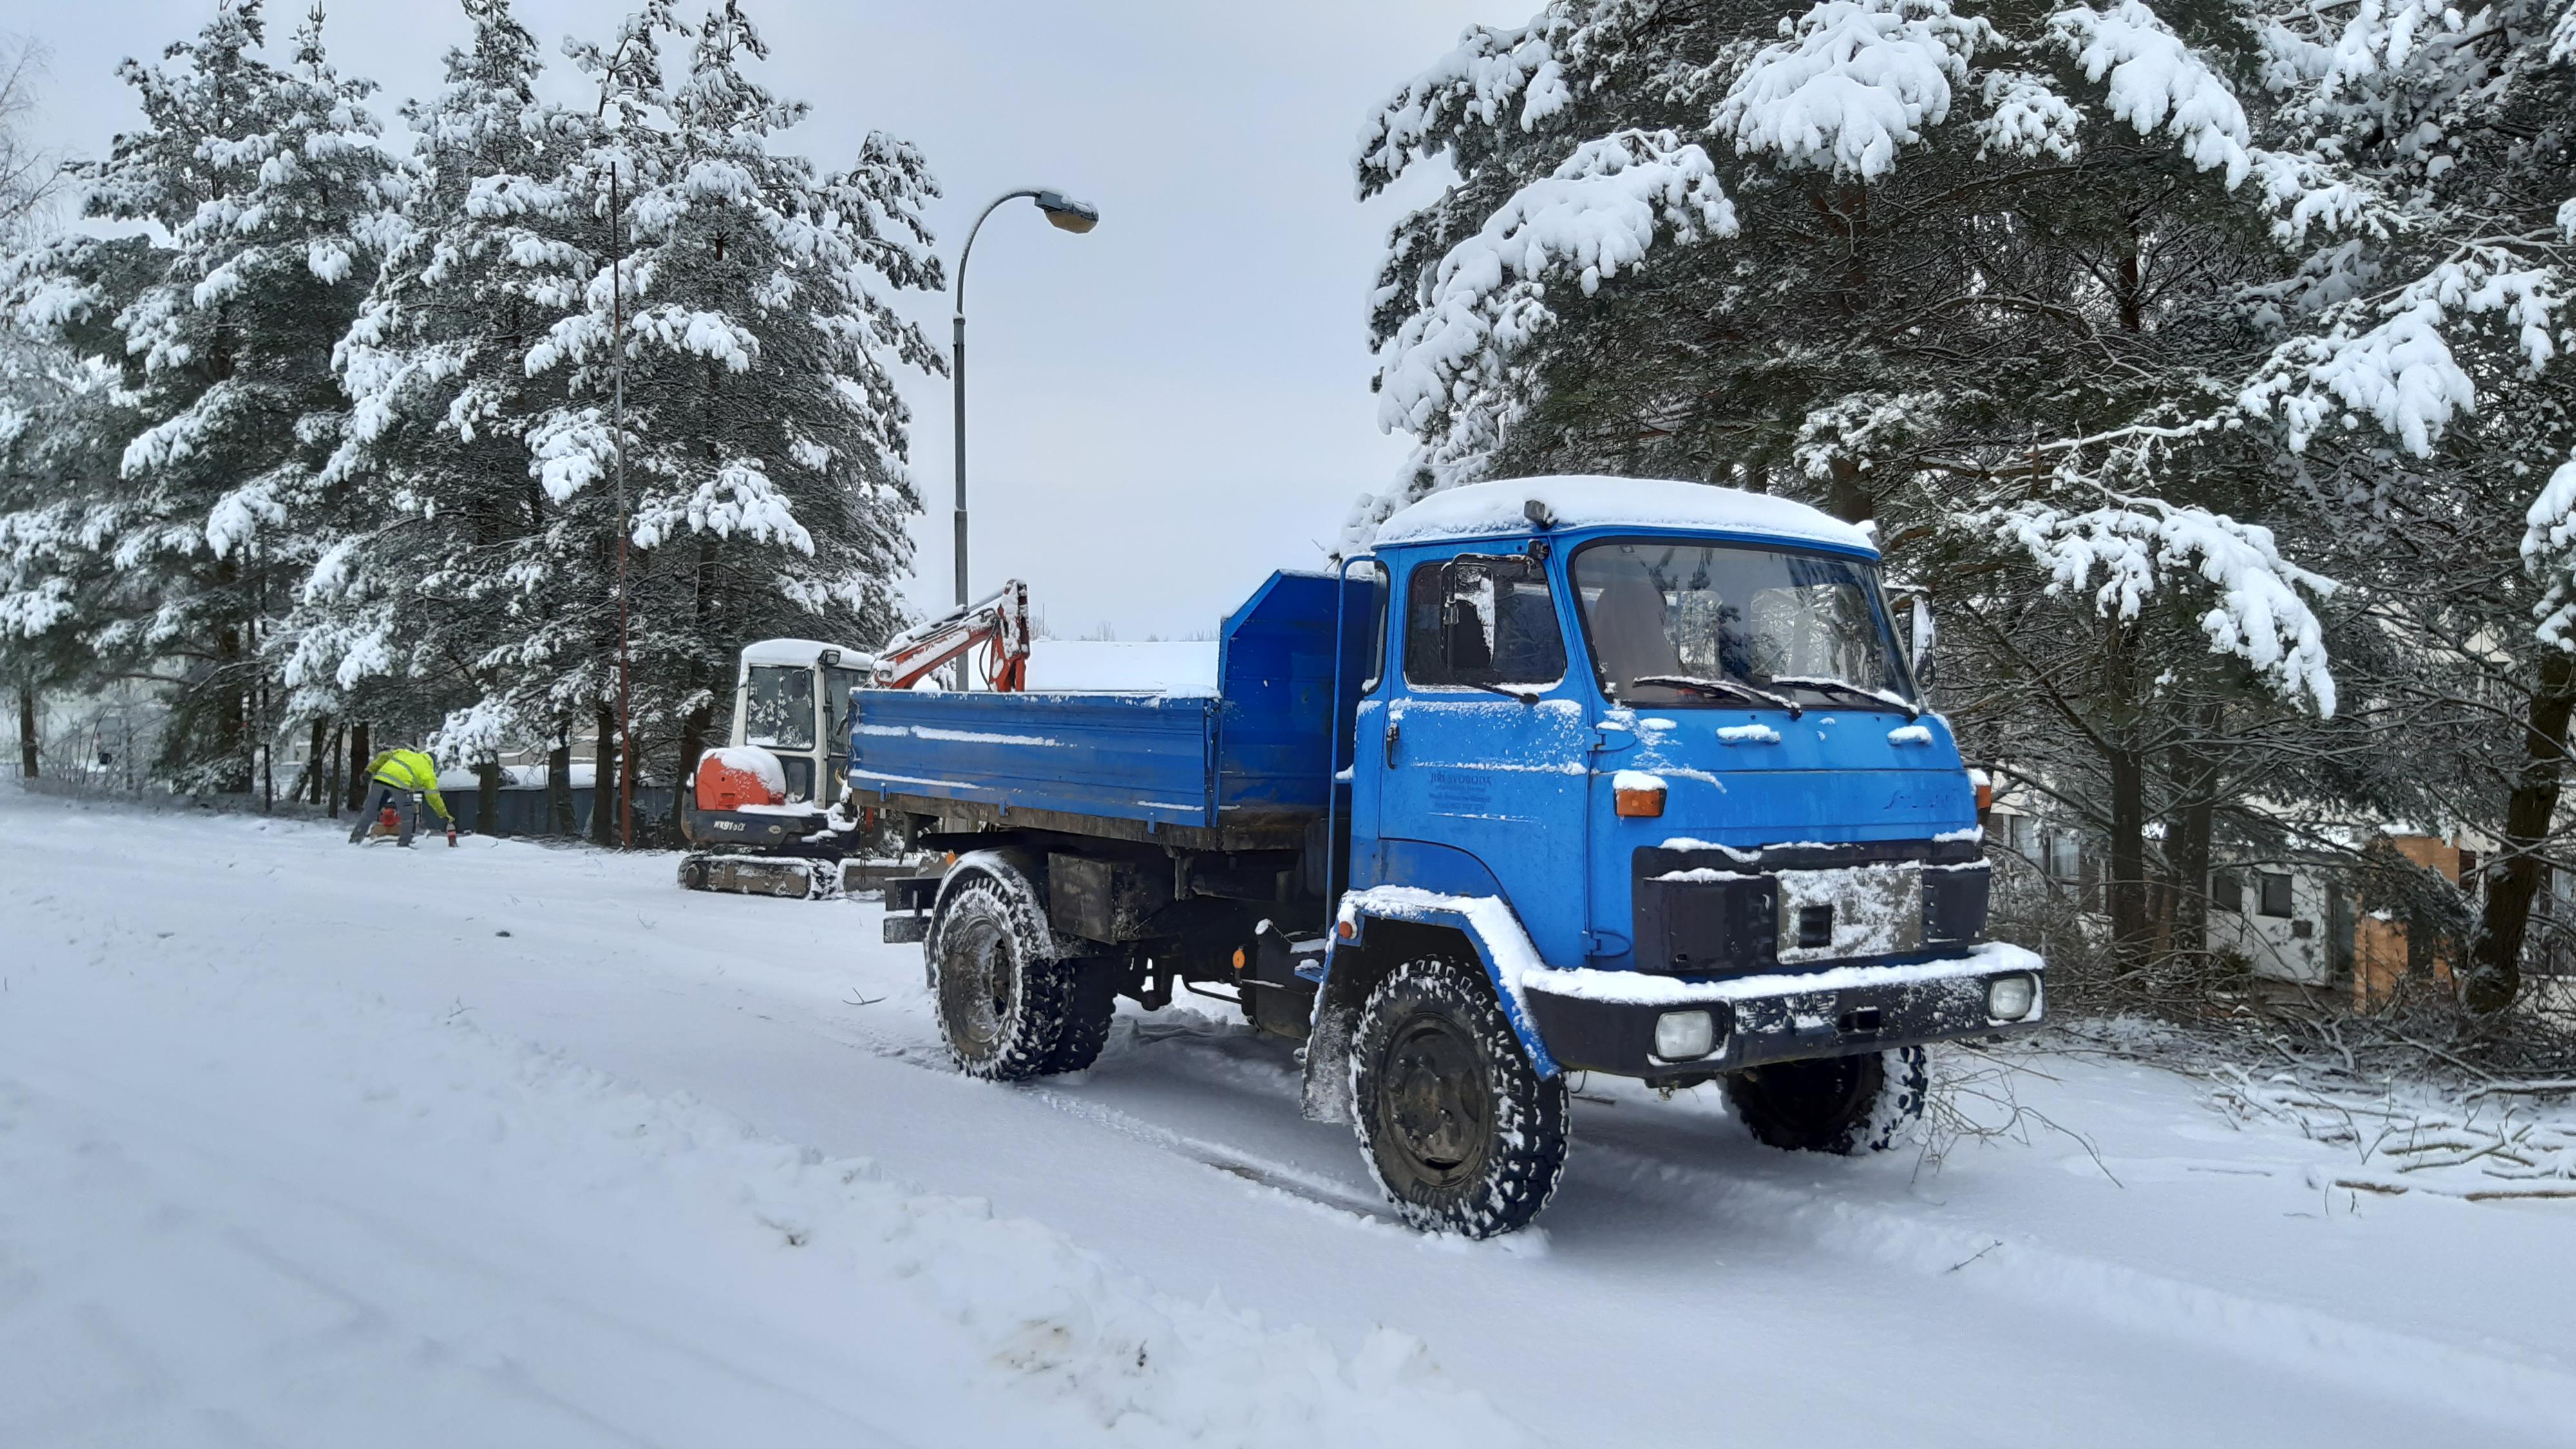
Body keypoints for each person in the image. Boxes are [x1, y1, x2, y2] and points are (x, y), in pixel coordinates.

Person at [348, 740, 453, 848]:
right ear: (433, 764)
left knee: (369, 812)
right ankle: (404, 844)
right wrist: (443, 814)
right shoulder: (428, 770)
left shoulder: (405, 753)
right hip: (401, 786)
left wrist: (370, 771)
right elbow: (433, 797)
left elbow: (383, 755)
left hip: (380, 780)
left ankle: (354, 841)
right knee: (408, 816)